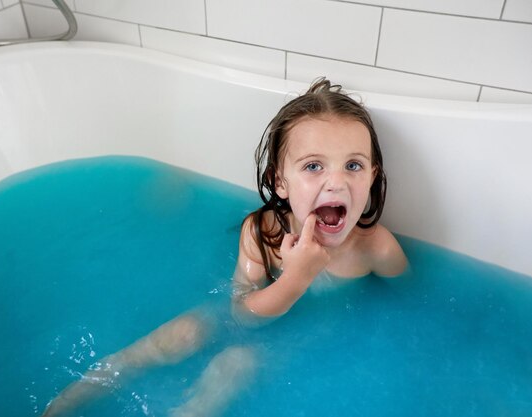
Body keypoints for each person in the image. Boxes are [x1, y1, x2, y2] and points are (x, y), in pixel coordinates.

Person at [41, 77, 408, 417]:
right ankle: (95, 382)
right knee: (187, 330)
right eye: (313, 166)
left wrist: (299, 281)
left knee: (235, 364)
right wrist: (295, 279)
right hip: (259, 313)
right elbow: (241, 314)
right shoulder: (262, 232)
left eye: (353, 166)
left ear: (373, 175)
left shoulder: (376, 249)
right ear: (280, 182)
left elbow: (410, 302)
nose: (336, 183)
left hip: (309, 340)